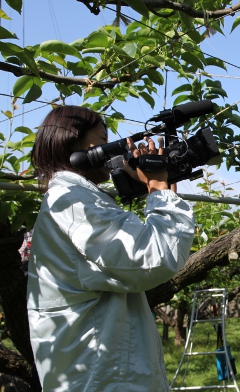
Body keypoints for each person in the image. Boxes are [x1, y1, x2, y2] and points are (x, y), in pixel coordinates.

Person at [27, 105, 195, 391]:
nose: (111, 152)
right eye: (102, 142)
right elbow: (154, 257)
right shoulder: (72, 201)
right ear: (73, 147)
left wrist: (156, 190)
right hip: (100, 376)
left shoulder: (76, 198)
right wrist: (159, 188)